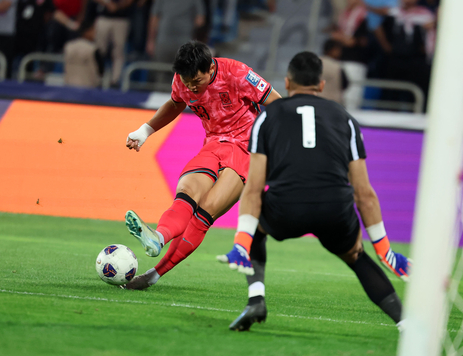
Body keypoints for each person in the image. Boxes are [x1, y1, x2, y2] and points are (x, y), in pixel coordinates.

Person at [220, 51, 404, 331]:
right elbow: (363, 193)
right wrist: (385, 249)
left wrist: (241, 243)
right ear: (320, 85)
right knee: (356, 256)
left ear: (287, 83)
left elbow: (254, 189)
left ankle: (256, 299)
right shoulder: (345, 119)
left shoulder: (266, 118)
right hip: (334, 209)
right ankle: (406, 323)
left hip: (285, 208)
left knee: (257, 229)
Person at [121, 40, 281, 290]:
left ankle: (153, 275)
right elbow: (175, 104)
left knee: (204, 213)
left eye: (196, 81)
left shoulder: (237, 73)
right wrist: (145, 130)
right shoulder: (182, 81)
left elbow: (278, 103)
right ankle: (158, 237)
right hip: (214, 145)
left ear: (210, 69)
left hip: (247, 150)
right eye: (186, 82)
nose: (191, 88)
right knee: (186, 193)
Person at [93, 0, 135, 86]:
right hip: (104, 16)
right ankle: (97, 78)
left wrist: (118, 6)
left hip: (121, 18)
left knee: (118, 51)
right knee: (99, 50)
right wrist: (107, 3)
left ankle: (115, 81)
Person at [64, 18, 104, 88]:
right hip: (88, 91)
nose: (95, 33)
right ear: (87, 31)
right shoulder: (93, 49)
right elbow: (101, 71)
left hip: (68, 88)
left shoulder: (68, 46)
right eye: (93, 30)